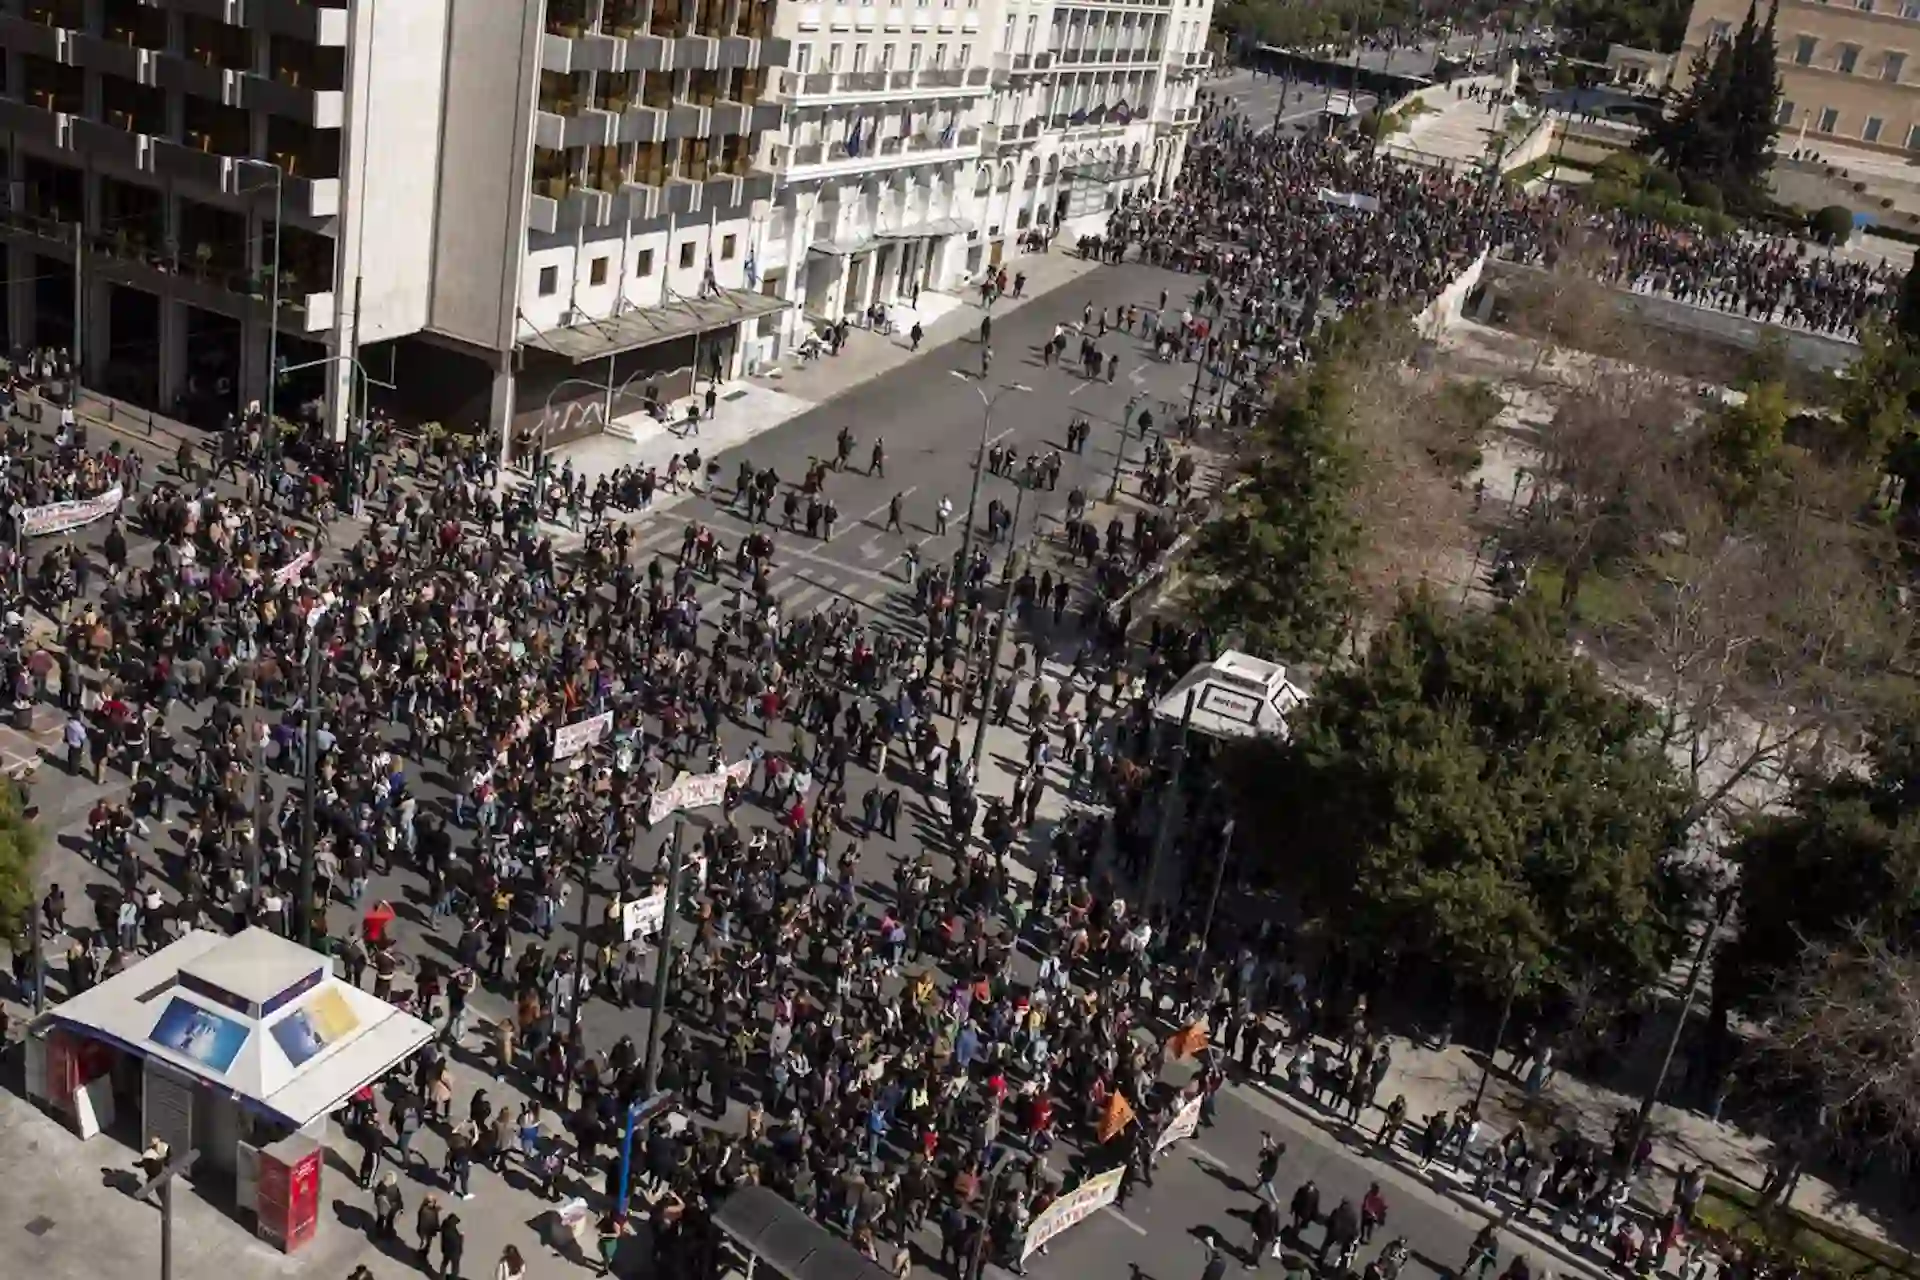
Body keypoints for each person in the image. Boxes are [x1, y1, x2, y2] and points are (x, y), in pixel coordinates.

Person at [373, 1171, 404, 1240]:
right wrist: (401, 1207)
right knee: (388, 1221)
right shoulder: (392, 1190)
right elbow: (397, 1199)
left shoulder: (380, 1187)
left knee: (381, 1220)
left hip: (384, 1210)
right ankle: (386, 1232)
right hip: (390, 1210)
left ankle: (380, 1232)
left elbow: (376, 1197)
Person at [441, 1213, 466, 1280]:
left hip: (447, 1250)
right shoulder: (450, 1229)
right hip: (454, 1251)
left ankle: (441, 1275)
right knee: (455, 1267)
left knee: (445, 1262)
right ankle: (453, 1278)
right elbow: (456, 1241)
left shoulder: (446, 1227)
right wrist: (461, 1236)